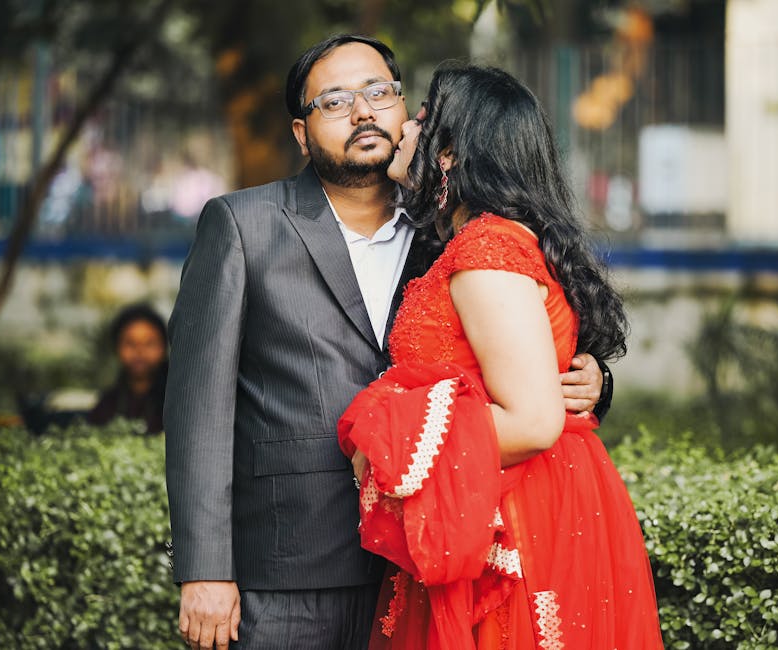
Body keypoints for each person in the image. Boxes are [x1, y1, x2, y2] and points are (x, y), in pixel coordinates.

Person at [164, 35, 608, 650]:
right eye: (336, 100)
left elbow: (526, 354)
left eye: (380, 92)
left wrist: (593, 379)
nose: (364, 111)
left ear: (407, 114)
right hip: (286, 575)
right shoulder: (243, 226)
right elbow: (197, 411)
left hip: (429, 567)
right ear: (300, 133)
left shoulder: (451, 232)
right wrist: (202, 569)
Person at [340, 64, 663, 648]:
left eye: (419, 121)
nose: (404, 129)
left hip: (514, 511)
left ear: (447, 154)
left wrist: (391, 440)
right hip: (495, 496)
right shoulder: (472, 239)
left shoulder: (487, 248)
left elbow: (534, 419)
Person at [87, 303, 168, 434]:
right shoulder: (107, 406)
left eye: (149, 343)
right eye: (130, 343)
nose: (139, 351)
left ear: (164, 348)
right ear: (117, 347)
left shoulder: (176, 401)